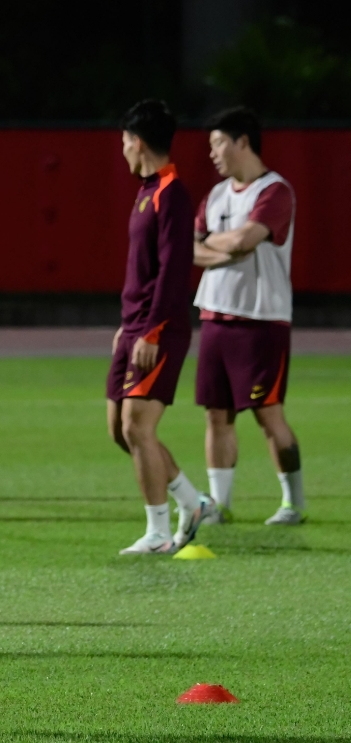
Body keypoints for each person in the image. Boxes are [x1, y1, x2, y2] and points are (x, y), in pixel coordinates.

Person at [106, 99, 216, 555]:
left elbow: (173, 272)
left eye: (124, 142)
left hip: (159, 329)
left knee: (137, 427)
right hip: (133, 326)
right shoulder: (146, 191)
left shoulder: (171, 193)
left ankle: (157, 532)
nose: (122, 151)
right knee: (120, 430)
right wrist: (127, 327)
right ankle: (192, 501)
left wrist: (151, 331)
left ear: (137, 141)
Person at [192, 107, 304, 526]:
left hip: (261, 318)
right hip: (215, 314)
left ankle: (293, 502)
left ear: (242, 142)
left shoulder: (275, 191)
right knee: (216, 414)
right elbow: (191, 247)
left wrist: (215, 243)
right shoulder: (216, 195)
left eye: (218, 143)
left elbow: (246, 239)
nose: (212, 153)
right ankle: (219, 506)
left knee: (267, 413)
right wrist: (225, 246)